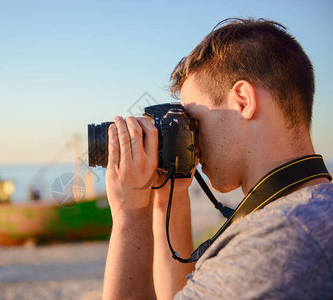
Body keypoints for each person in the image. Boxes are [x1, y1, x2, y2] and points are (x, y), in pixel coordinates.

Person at [101, 18, 333, 299]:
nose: (192, 143)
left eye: (195, 122)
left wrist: (130, 211)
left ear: (243, 101)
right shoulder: (313, 212)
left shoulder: (274, 243)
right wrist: (167, 199)